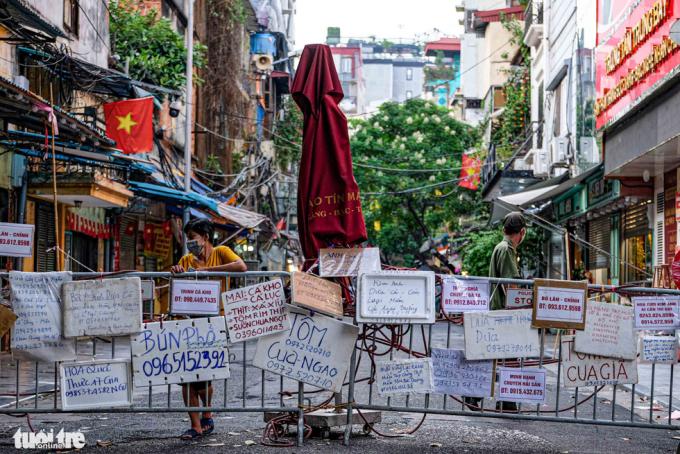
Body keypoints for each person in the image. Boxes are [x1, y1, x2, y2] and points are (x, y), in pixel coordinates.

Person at [170, 218, 247, 440]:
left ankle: (207, 412)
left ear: (205, 237)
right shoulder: (186, 259)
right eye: (187, 238)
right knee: (186, 377)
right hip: (188, 324)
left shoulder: (221, 252)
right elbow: (177, 286)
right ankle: (195, 426)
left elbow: (241, 267)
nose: (189, 243)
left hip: (215, 324)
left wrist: (206, 270)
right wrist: (176, 271)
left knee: (204, 378)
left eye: (193, 238)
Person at [464, 212, 526, 412]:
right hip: (504, 313)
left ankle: (481, 397)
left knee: (496, 357)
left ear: (503, 230)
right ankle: (502, 400)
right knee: (508, 359)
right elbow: (511, 286)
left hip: (499, 311)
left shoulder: (501, 247)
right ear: (522, 232)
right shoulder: (507, 249)